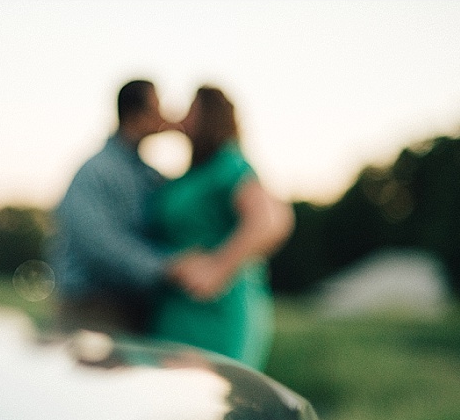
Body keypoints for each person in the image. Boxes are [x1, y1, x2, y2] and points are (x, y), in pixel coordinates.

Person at [149, 86, 294, 370]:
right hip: (177, 310)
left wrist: (219, 267)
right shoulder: (194, 172)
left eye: (191, 111)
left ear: (210, 117)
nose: (182, 117)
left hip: (217, 311)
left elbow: (270, 221)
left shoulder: (228, 164)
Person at [48, 79, 185, 335]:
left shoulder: (148, 175)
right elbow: (98, 245)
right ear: (136, 114)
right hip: (91, 311)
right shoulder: (95, 171)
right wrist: (164, 268)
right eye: (158, 108)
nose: (165, 117)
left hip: (135, 310)